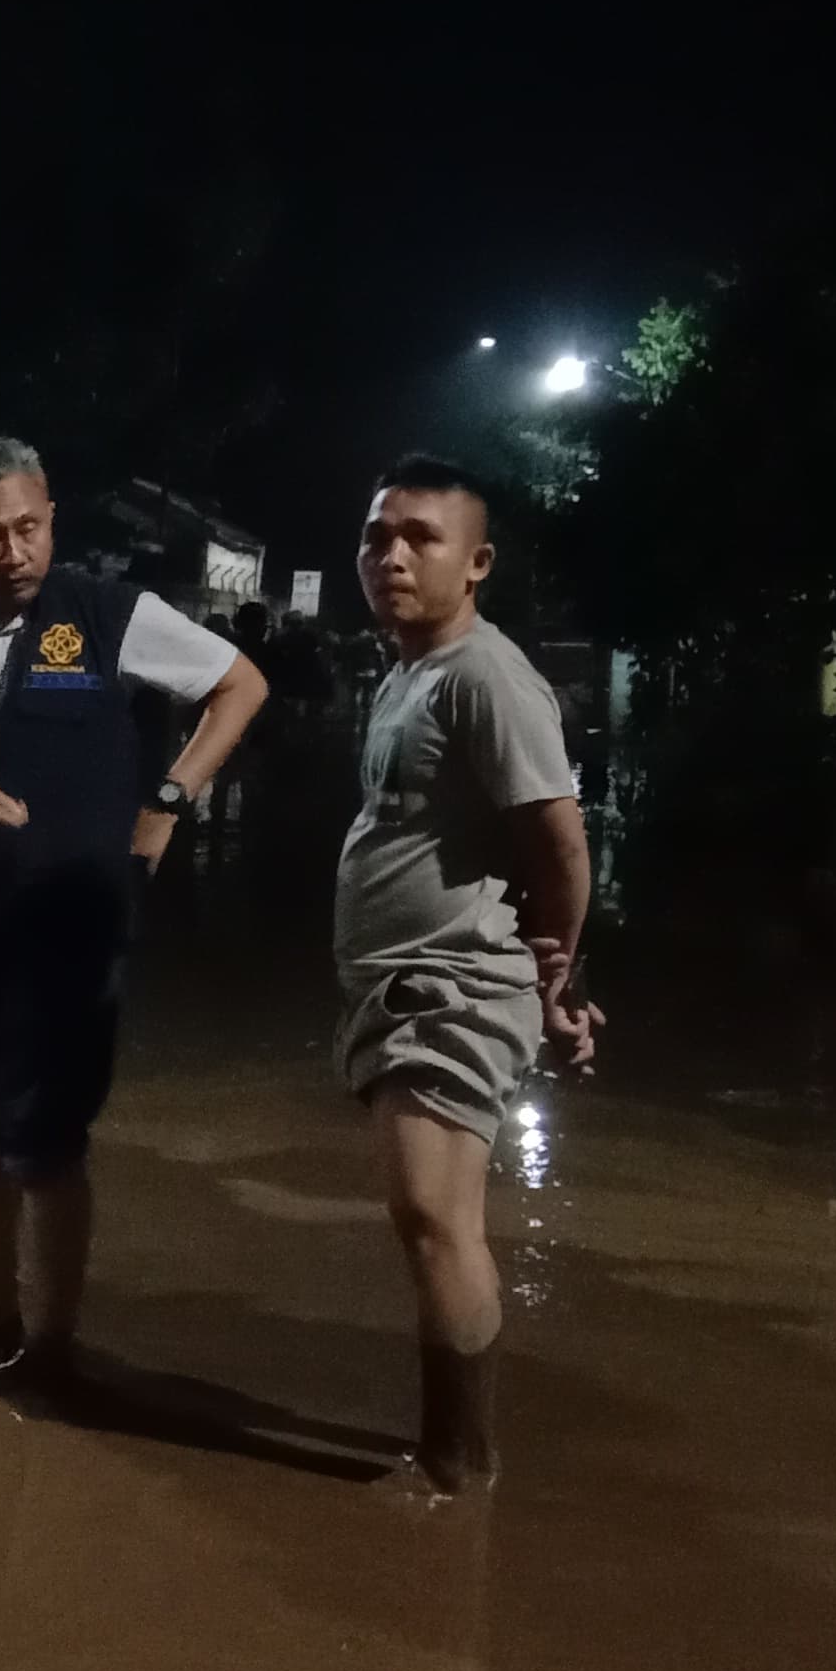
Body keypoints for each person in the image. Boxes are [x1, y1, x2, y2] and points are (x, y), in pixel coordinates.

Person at [0, 437, 270, 1394]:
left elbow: (238, 684)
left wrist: (168, 800)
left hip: (75, 929)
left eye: (28, 530)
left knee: (49, 1140)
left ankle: (53, 1343)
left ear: (51, 520)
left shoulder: (105, 615)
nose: (12, 553)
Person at [339, 453, 601, 1491]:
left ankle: (457, 1464)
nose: (390, 555)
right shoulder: (412, 669)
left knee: (433, 1218)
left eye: (418, 537)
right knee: (428, 1219)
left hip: (448, 983)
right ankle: (451, 1453)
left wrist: (550, 976)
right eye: (375, 536)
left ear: (475, 560)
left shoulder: (486, 675)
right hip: (404, 983)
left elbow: (561, 843)